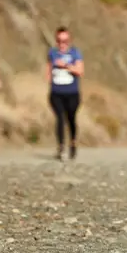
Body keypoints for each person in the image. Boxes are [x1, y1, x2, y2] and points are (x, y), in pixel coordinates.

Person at [46, 26, 84, 160]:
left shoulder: (75, 53)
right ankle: (61, 146)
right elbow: (49, 70)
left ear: (69, 41)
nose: (62, 44)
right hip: (57, 92)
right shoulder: (52, 53)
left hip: (72, 93)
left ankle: (73, 142)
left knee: (71, 118)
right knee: (60, 118)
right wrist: (50, 81)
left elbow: (80, 71)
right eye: (59, 41)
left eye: (65, 41)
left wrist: (66, 66)